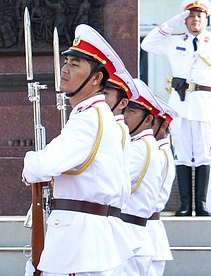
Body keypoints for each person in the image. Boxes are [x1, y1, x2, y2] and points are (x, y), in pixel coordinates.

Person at [22, 24, 133, 276]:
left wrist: (30, 166)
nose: (65, 69)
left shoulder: (88, 118)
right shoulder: (99, 115)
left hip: (80, 238)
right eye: (67, 61)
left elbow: (45, 164)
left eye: (75, 64)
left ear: (96, 79)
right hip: (91, 234)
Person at [140, 0, 211, 217]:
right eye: (190, 16)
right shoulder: (174, 41)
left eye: (199, 15)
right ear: (184, 19)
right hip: (180, 105)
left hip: (204, 103)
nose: (195, 20)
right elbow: (147, 43)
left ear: (206, 18)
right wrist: (171, 23)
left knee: (202, 155)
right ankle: (184, 204)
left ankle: (200, 205)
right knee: (181, 154)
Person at [120, 78, 164, 276]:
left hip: (130, 237)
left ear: (148, 120)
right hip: (133, 235)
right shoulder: (143, 145)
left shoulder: (139, 148)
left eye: (132, 111)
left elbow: (114, 185)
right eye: (125, 110)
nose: (125, 116)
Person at [148, 100, 177, 276]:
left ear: (163, 125)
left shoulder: (157, 154)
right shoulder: (158, 151)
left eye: (151, 122)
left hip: (147, 230)